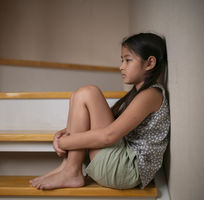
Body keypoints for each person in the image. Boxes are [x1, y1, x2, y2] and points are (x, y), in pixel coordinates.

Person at [30, 33, 170, 190]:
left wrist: (65, 142)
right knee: (78, 95)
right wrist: (65, 132)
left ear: (149, 63)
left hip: (127, 169)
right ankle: (68, 166)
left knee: (88, 92)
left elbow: (109, 135)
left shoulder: (151, 95)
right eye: (121, 60)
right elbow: (99, 121)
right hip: (119, 163)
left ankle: (72, 170)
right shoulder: (137, 95)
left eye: (128, 60)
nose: (121, 66)